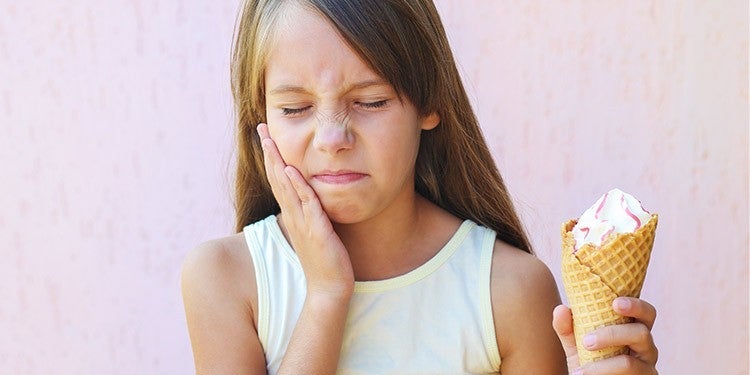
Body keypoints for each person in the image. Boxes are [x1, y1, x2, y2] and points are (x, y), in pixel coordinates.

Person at [181, 0, 659, 374]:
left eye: (370, 101)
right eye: (294, 109)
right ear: (259, 117)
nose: (332, 139)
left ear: (429, 103)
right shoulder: (226, 280)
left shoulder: (509, 292)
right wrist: (327, 293)